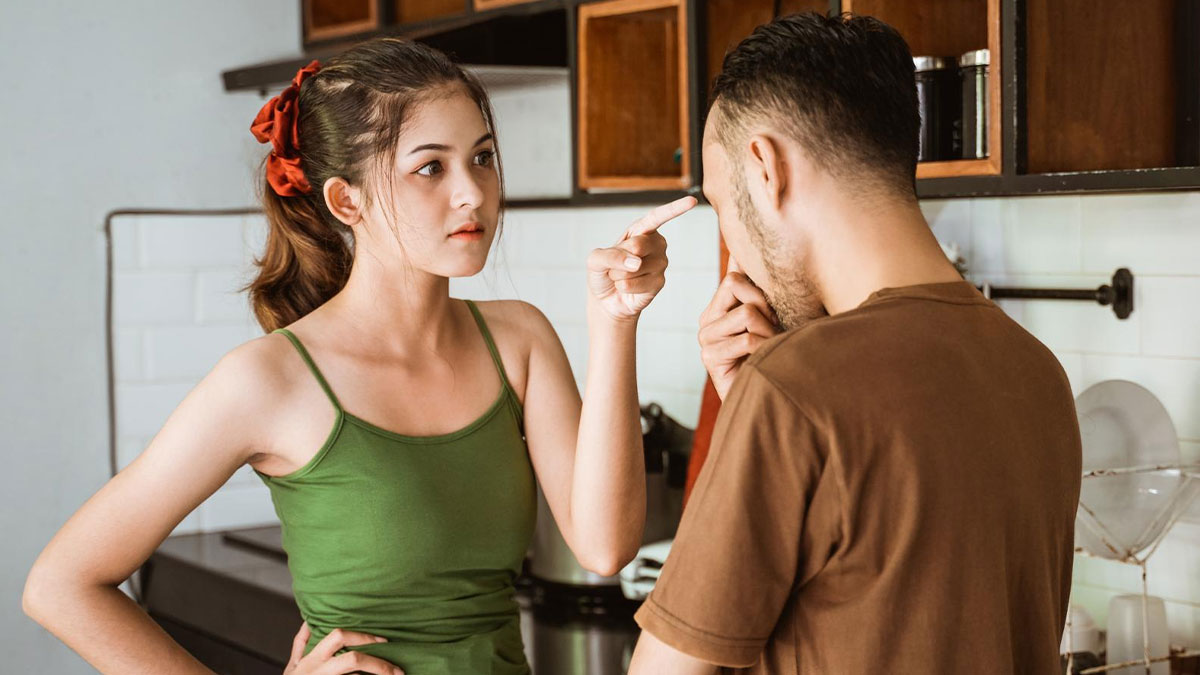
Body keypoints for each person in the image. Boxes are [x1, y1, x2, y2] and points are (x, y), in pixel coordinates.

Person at [23, 37, 696, 674]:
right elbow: (61, 585)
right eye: (431, 167)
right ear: (347, 200)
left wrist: (615, 323)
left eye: (483, 157)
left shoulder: (520, 339)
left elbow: (605, 547)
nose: (473, 192)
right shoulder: (267, 379)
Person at [627, 12, 1081, 675]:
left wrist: (763, 400)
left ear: (765, 168)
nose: (736, 248)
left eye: (724, 208)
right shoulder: (1038, 370)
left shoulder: (794, 389)